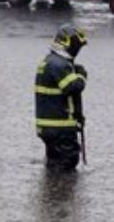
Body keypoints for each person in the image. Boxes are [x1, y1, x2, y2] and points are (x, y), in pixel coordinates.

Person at [34, 24, 89, 172]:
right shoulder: (59, 65)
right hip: (60, 127)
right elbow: (74, 87)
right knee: (67, 165)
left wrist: (77, 116)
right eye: (78, 45)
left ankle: (51, 191)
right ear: (67, 43)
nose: (78, 49)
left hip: (48, 127)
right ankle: (62, 193)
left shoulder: (50, 61)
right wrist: (82, 76)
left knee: (54, 164)